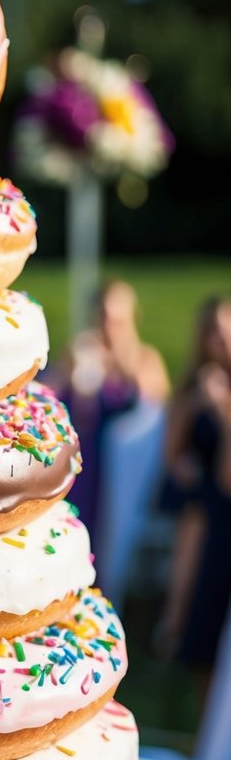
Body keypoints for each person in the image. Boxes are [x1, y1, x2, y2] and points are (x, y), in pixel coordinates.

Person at [58, 280, 170, 557]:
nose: (110, 326)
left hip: (123, 472)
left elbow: (156, 410)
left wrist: (121, 362)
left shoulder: (146, 359)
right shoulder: (79, 355)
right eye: (104, 317)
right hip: (87, 466)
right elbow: (47, 396)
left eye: (117, 319)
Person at [157, 297, 231, 710]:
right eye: (211, 333)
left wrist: (222, 411)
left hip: (223, 507)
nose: (218, 341)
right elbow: (174, 459)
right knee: (201, 624)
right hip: (201, 510)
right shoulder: (193, 386)